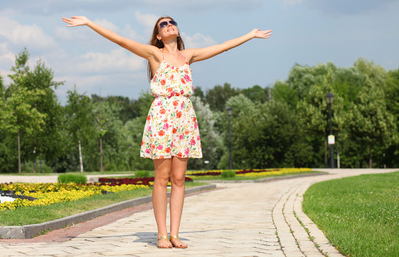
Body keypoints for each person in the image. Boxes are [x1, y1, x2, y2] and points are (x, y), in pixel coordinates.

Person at [62, 15, 272, 249]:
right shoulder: (154, 54)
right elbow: (120, 40)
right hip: (162, 117)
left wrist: (250, 35)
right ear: (158, 36)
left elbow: (221, 48)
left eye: (172, 22)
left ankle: (175, 234)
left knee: (179, 179)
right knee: (162, 178)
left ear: (177, 32)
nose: (170, 24)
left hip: (184, 117)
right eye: (163, 24)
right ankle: (162, 235)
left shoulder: (188, 56)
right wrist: (89, 23)